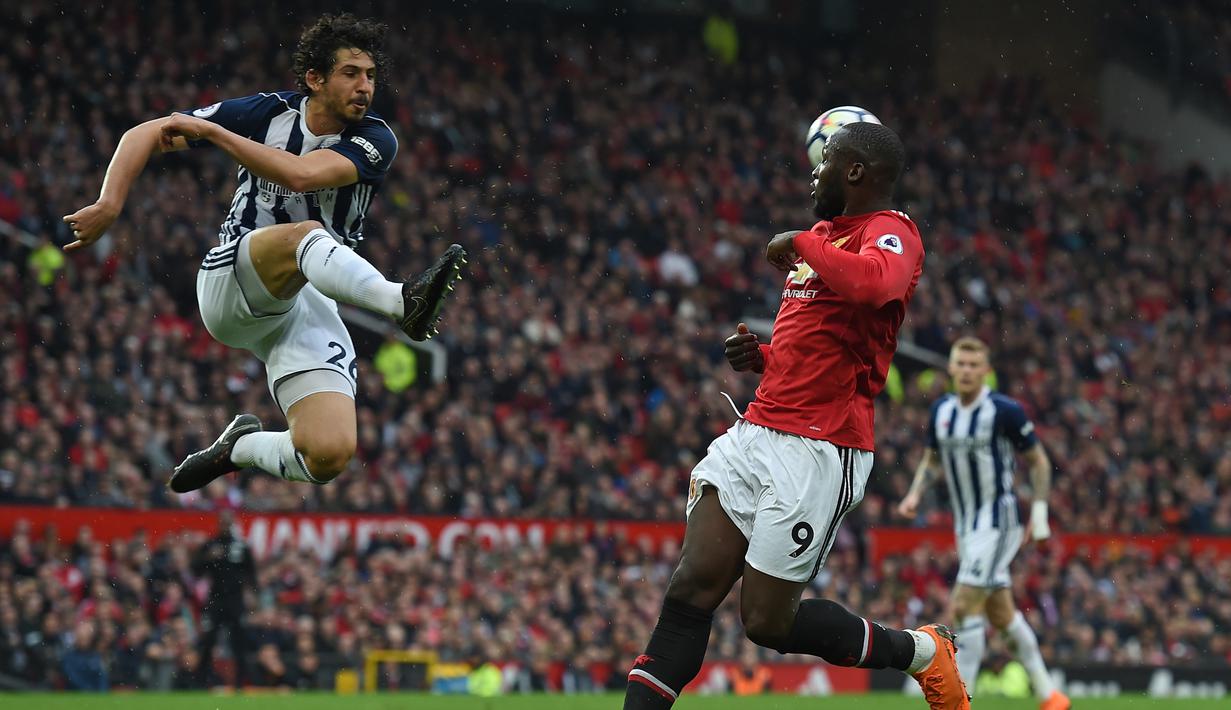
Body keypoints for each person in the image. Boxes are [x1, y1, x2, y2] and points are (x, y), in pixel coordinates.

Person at [623, 122, 969, 710]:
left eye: (826, 160)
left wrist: (807, 243)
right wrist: (761, 359)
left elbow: (875, 287)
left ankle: (919, 651)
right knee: (689, 590)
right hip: (756, 431)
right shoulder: (826, 236)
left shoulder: (890, 231)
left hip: (819, 449)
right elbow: (817, 347)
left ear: (855, 172)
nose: (816, 170)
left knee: (766, 624)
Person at [62, 14, 467, 493]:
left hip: (305, 296)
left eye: (371, 75)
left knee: (329, 454)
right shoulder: (266, 114)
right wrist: (110, 202)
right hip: (232, 280)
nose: (365, 87)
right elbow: (147, 132)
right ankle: (404, 303)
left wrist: (214, 134)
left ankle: (238, 449)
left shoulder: (377, 139)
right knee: (303, 235)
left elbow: (301, 174)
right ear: (315, 79)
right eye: (351, 74)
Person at [898, 337, 1070, 710]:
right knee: (1001, 613)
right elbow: (932, 459)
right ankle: (1050, 695)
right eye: (961, 363)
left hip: (999, 523)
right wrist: (914, 494)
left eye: (975, 365)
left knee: (963, 606)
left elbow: (1039, 462)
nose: (966, 371)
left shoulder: (1005, 411)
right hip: (966, 526)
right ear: (951, 368)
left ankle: (962, 700)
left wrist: (1039, 515)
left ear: (986, 371)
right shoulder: (942, 411)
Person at [194, 510, 256, 687]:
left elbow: (251, 574)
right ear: (218, 524)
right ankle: (201, 682)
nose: (225, 526)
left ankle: (239, 684)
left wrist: (252, 593)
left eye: (228, 523)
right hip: (216, 599)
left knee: (239, 643)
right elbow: (196, 571)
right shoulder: (210, 546)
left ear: (232, 525)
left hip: (236, 601)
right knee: (209, 641)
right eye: (222, 523)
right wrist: (207, 557)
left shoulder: (242, 546)